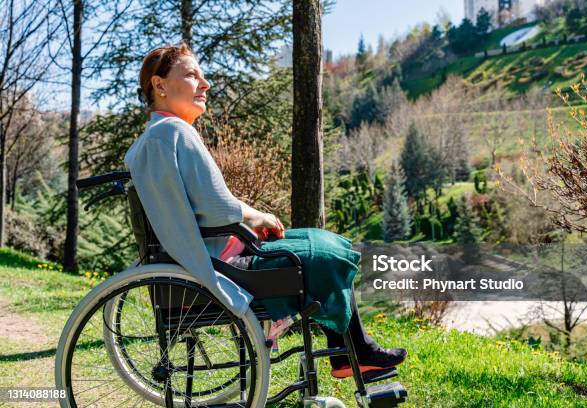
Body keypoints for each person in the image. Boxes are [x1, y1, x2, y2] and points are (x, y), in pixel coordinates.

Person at [125, 43, 406, 379]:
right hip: (218, 263)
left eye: (202, 75)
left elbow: (203, 207)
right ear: (159, 85)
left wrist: (250, 219)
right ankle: (354, 353)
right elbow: (217, 208)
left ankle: (352, 350)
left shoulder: (161, 133)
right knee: (323, 254)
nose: (205, 83)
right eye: (191, 75)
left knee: (326, 242)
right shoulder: (172, 132)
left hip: (215, 253)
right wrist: (256, 217)